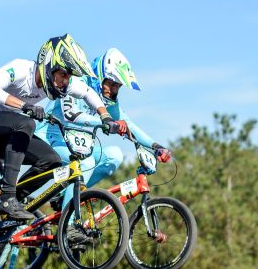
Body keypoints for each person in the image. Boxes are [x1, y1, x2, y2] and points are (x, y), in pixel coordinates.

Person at [0, 34, 120, 221]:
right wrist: (23, 105)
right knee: (26, 123)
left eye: (68, 77)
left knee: (51, 160)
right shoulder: (21, 69)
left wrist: (105, 116)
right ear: (49, 66)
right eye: (63, 75)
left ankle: (7, 204)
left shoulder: (59, 81)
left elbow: (87, 93)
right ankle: (7, 197)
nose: (66, 82)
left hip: (4, 133)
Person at [35, 47, 171, 209]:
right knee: (86, 162)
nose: (113, 89)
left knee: (115, 155)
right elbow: (70, 117)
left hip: (77, 146)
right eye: (111, 84)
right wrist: (104, 122)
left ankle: (68, 195)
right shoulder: (77, 82)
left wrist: (155, 146)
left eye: (117, 86)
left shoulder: (107, 98)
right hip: (49, 137)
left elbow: (127, 124)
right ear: (101, 76)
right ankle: (70, 221)